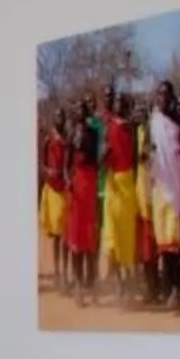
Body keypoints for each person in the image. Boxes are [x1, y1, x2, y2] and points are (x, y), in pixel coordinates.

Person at [145, 80, 180, 306]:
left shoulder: (177, 120)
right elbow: (147, 149)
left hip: (174, 184)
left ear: (171, 97)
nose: (162, 98)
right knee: (162, 243)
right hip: (158, 186)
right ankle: (168, 286)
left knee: (173, 241)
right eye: (159, 94)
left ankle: (175, 289)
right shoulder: (153, 120)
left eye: (166, 95)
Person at [98, 90, 141, 302]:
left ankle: (127, 280)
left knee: (126, 235)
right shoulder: (109, 127)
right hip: (113, 182)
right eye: (116, 103)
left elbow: (134, 158)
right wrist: (104, 157)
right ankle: (119, 283)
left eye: (122, 103)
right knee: (112, 234)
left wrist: (133, 182)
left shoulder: (131, 128)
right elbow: (102, 158)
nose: (118, 106)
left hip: (128, 183)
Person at [63, 101, 102, 304]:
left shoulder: (94, 134)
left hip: (90, 183)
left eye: (83, 109)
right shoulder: (70, 135)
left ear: (87, 113)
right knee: (77, 238)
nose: (80, 112)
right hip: (77, 185)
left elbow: (95, 161)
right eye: (77, 109)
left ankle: (92, 283)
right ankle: (78, 285)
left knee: (90, 237)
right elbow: (66, 164)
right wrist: (69, 181)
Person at [39, 111, 72, 290]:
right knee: (57, 236)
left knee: (65, 235)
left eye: (62, 116)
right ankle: (58, 273)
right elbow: (42, 164)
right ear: (54, 119)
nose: (60, 119)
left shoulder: (68, 139)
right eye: (58, 116)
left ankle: (66, 273)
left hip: (65, 189)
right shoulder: (48, 140)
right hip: (53, 189)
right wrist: (49, 172)